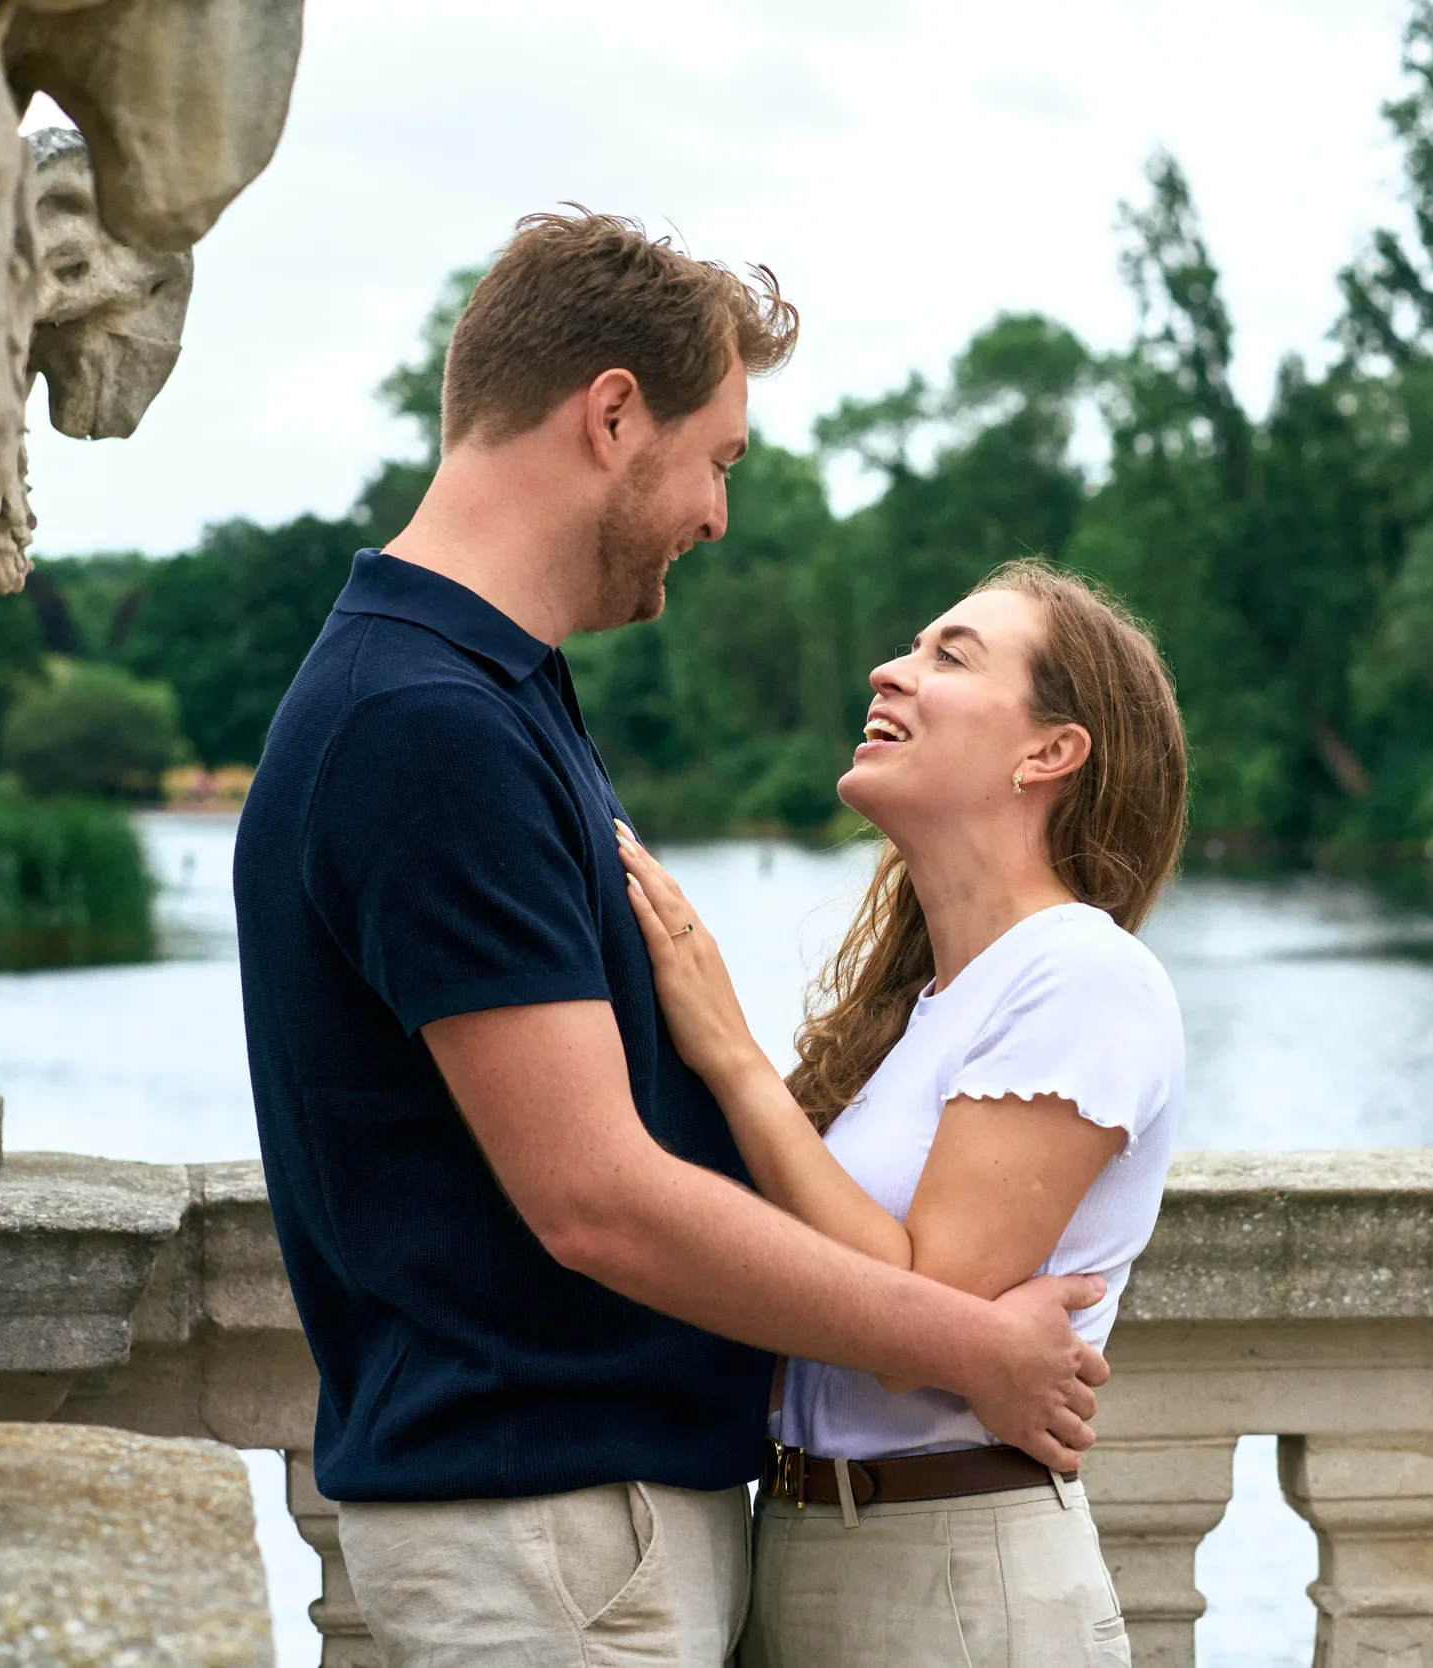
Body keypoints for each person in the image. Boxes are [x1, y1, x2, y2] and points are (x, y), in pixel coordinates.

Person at [232, 212, 1109, 1668]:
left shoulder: (484, 695)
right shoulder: (429, 725)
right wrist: (965, 1351)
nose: (717, 515)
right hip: (555, 1529)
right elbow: (597, 1199)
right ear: (613, 414)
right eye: (719, 460)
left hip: (584, 1524)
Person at [615, 557, 1188, 1668]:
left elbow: (909, 1329)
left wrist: (731, 1058)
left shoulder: (1079, 974)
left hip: (955, 1575)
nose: (890, 670)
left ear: (1049, 752)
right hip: (801, 1549)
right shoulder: (920, 1012)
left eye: (949, 655)